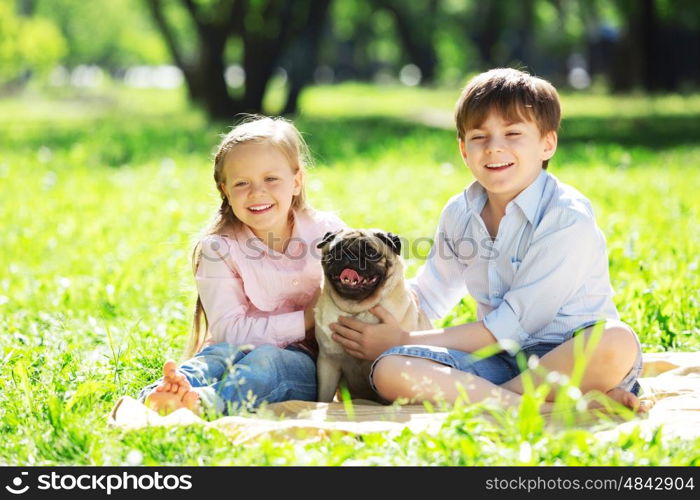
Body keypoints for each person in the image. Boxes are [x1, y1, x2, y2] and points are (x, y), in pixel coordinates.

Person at [330, 68, 646, 413]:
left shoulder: (566, 216)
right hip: (498, 363)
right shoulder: (460, 212)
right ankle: (545, 408)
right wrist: (376, 316)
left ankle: (506, 401)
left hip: (571, 357)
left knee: (615, 340)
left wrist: (405, 339)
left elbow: (512, 324)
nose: (495, 148)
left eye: (513, 133)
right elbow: (430, 295)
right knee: (389, 369)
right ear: (464, 150)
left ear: (547, 143)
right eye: (480, 137)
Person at [140, 116, 345, 416]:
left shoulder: (329, 232)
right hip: (233, 347)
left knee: (266, 364)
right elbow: (230, 334)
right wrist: (309, 316)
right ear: (224, 190)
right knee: (213, 359)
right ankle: (167, 391)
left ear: (297, 181)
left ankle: (206, 402)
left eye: (271, 179)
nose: (257, 192)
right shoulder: (218, 249)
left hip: (306, 361)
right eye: (241, 183)